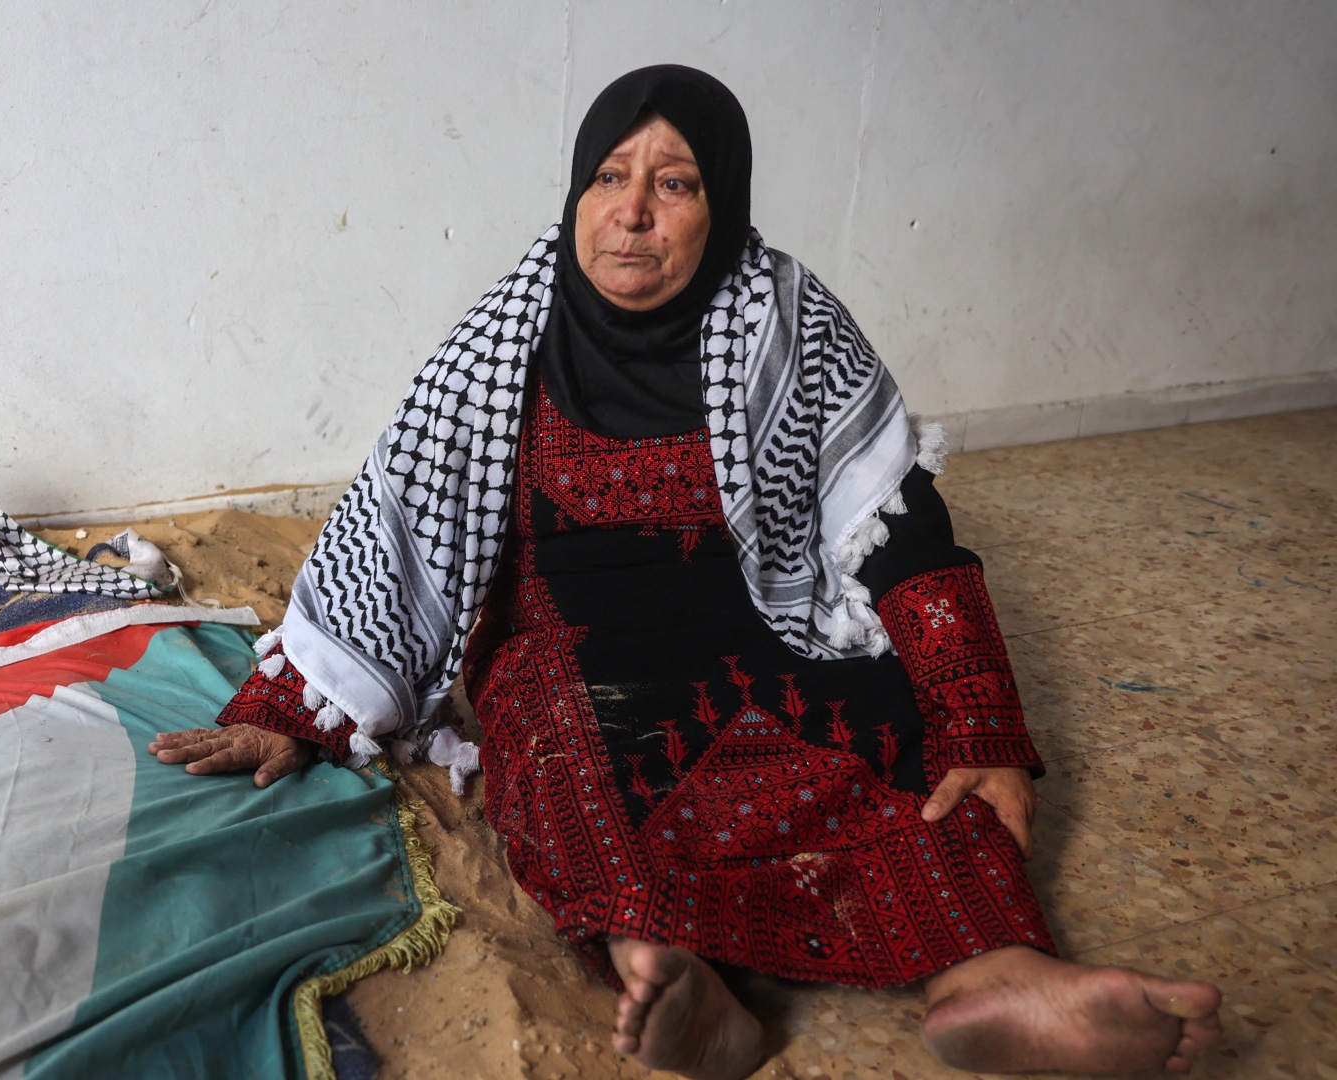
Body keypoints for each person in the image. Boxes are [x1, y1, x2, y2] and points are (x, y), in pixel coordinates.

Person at [149, 66, 1223, 1078]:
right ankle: (673, 982)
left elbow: (899, 525)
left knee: (905, 746)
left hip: (767, 625)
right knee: (557, 759)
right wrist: (291, 707)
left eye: (675, 184)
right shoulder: (504, 342)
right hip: (571, 648)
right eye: (609, 179)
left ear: (724, 204)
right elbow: (394, 530)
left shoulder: (785, 320)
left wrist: (977, 711)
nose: (633, 213)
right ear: (577, 195)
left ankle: (997, 977)